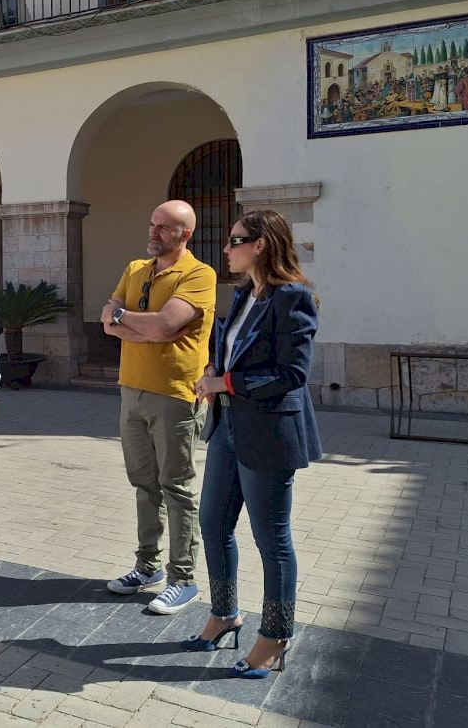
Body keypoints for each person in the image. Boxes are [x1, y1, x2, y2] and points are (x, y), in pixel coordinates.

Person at [185, 209, 322, 679]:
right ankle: (225, 614)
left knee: (272, 540)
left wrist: (226, 383)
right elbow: (232, 352)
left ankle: (276, 635)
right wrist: (214, 373)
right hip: (228, 427)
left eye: (235, 240)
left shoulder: (293, 297)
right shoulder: (244, 293)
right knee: (213, 524)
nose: (226, 248)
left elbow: (292, 373)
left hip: (269, 434)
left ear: (260, 244)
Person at [100, 200, 216, 614]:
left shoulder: (199, 274)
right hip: (131, 390)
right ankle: (147, 567)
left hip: (175, 395)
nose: (153, 232)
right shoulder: (135, 268)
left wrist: (127, 320)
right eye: (152, 224)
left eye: (165, 227)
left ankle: (183, 578)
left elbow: (167, 324)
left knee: (176, 487)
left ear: (185, 234)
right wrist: (144, 326)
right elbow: (107, 320)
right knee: (144, 484)